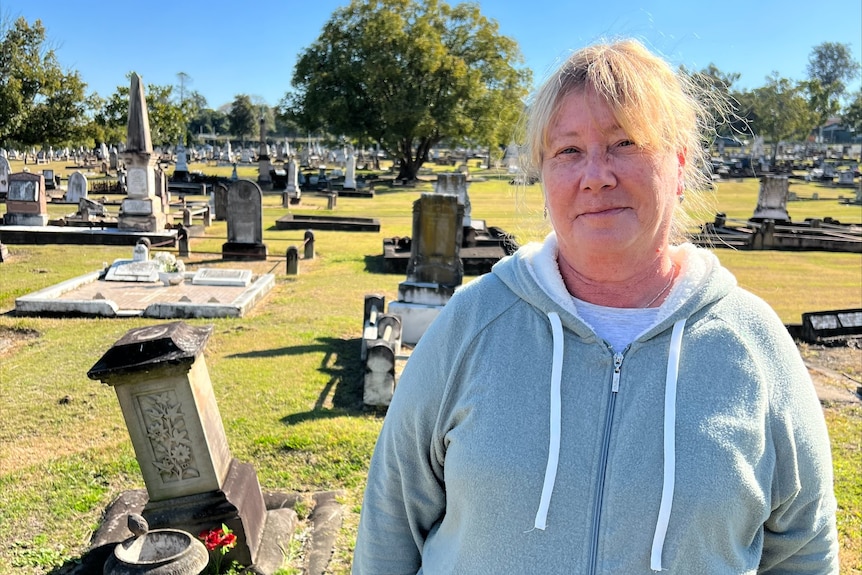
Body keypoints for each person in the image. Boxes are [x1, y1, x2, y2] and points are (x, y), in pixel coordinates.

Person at [352, 39, 839, 574]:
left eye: (625, 142)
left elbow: (803, 551)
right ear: (544, 177)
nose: (597, 174)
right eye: (568, 151)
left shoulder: (754, 345)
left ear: (678, 166)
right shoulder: (471, 324)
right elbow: (389, 527)